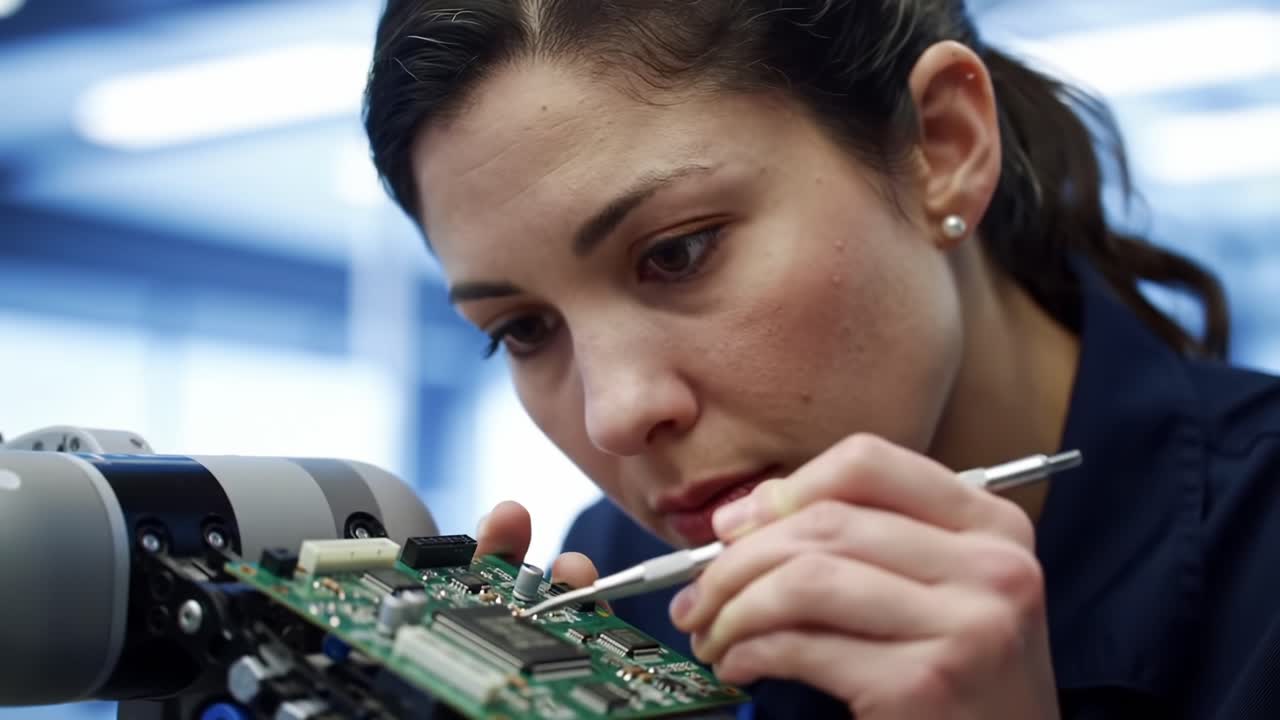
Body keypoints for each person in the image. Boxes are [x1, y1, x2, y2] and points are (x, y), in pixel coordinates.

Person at [362, 1, 1280, 717]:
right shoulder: (617, 583)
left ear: (943, 148)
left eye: (678, 252)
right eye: (524, 329)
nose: (617, 416)